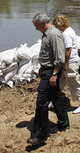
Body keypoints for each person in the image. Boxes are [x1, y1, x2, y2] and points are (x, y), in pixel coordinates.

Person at [27, 13, 69, 146]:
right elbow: (48, 54)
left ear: (43, 23)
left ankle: (40, 134)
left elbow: (60, 57)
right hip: (47, 70)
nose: (35, 29)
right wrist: (42, 67)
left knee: (41, 103)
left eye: (36, 26)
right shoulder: (46, 34)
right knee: (56, 97)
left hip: (51, 71)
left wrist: (54, 74)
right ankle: (64, 123)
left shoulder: (54, 34)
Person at [52, 14, 80, 114]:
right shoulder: (69, 29)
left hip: (71, 62)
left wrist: (66, 63)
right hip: (68, 61)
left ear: (61, 24)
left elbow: (68, 50)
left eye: (57, 26)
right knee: (60, 82)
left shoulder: (66, 34)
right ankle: (54, 100)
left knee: (74, 82)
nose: (56, 28)